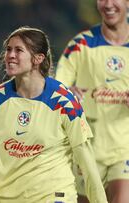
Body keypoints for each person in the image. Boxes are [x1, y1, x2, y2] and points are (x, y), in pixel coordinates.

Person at [0, 27, 108, 203]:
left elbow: (85, 157)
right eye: (8, 49)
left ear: (38, 58)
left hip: (53, 196)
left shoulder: (64, 101)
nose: (10, 55)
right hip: (6, 197)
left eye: (18, 50)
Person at [55, 0, 129, 202]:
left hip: (124, 149)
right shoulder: (81, 44)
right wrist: (67, 92)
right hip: (87, 149)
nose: (108, 4)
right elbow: (56, 90)